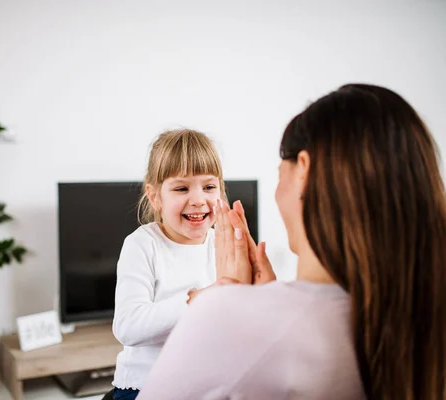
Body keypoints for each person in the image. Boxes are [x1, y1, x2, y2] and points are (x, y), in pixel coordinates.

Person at [138, 84, 446, 400]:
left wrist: (234, 308)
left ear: (303, 172)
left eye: (279, 171)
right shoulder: (422, 323)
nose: (198, 200)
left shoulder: (223, 313)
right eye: (182, 189)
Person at [111, 129, 234, 400]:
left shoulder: (223, 243)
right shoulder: (143, 245)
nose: (199, 200)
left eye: (209, 187)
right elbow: (127, 326)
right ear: (155, 196)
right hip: (147, 387)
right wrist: (195, 302)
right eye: (181, 188)